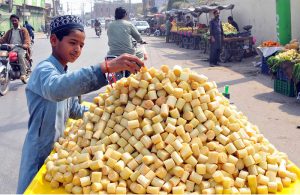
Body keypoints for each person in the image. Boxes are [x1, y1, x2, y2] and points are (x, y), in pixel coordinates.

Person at [16, 15, 143, 193]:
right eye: (73, 43)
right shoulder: (44, 70)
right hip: (39, 152)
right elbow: (56, 90)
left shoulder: (63, 72)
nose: (77, 49)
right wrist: (105, 68)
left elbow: (74, 109)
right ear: (54, 40)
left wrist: (112, 113)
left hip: (58, 153)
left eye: (81, 45)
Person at [0, 14, 31, 81]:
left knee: (20, 55)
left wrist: (25, 45)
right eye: (12, 21)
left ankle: (23, 74)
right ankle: (6, 71)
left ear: (18, 21)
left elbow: (27, 40)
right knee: (3, 56)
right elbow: (3, 39)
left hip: (21, 48)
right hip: (12, 49)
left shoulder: (23, 30)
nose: (14, 22)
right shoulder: (10, 31)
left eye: (15, 20)